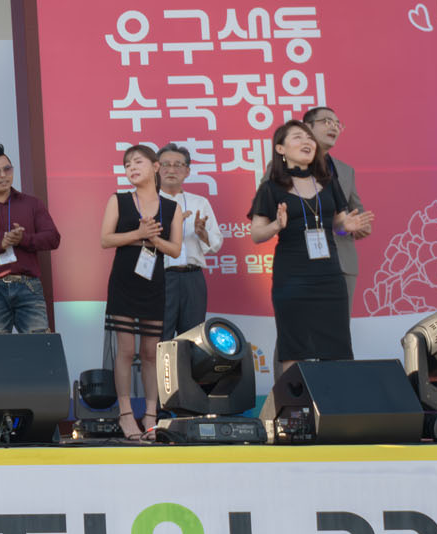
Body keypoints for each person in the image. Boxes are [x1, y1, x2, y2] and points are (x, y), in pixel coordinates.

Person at [249, 119, 375, 372]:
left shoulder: (329, 183)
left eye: (309, 138)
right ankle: (294, 399)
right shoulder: (271, 188)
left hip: (329, 275)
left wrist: (346, 226)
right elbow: (257, 234)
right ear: (281, 149)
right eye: (297, 137)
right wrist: (277, 225)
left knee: (336, 345)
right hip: (292, 277)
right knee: (295, 346)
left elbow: (338, 223)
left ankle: (335, 398)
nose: (306, 141)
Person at [101, 145, 182, 441]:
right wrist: (139, 234)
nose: (132, 168)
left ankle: (150, 415)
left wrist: (153, 239)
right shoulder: (119, 200)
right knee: (125, 351)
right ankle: (125, 414)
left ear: (155, 166)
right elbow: (105, 239)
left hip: (153, 283)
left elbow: (175, 249)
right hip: (124, 281)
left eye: (138, 162)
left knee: (150, 353)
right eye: (127, 165)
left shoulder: (171, 207)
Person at [0, 147, 62, 335]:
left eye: (7, 169)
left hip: (28, 284)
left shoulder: (31, 203)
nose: (4, 175)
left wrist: (23, 239)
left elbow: (53, 238)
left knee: (40, 344)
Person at [302, 106, 368, 318]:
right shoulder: (285, 166)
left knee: (338, 329)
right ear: (307, 127)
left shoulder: (345, 170)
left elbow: (356, 209)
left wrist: (361, 224)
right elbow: (269, 207)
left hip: (342, 263)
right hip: (303, 261)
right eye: (326, 122)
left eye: (337, 124)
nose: (334, 127)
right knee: (303, 327)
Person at [157, 145, 223, 339]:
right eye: (165, 164)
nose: (171, 170)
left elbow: (215, 243)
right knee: (161, 338)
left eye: (178, 165)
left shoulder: (199, 202)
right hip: (160, 277)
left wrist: (202, 234)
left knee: (193, 339)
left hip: (192, 278)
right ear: (156, 169)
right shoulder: (147, 202)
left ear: (187, 171)